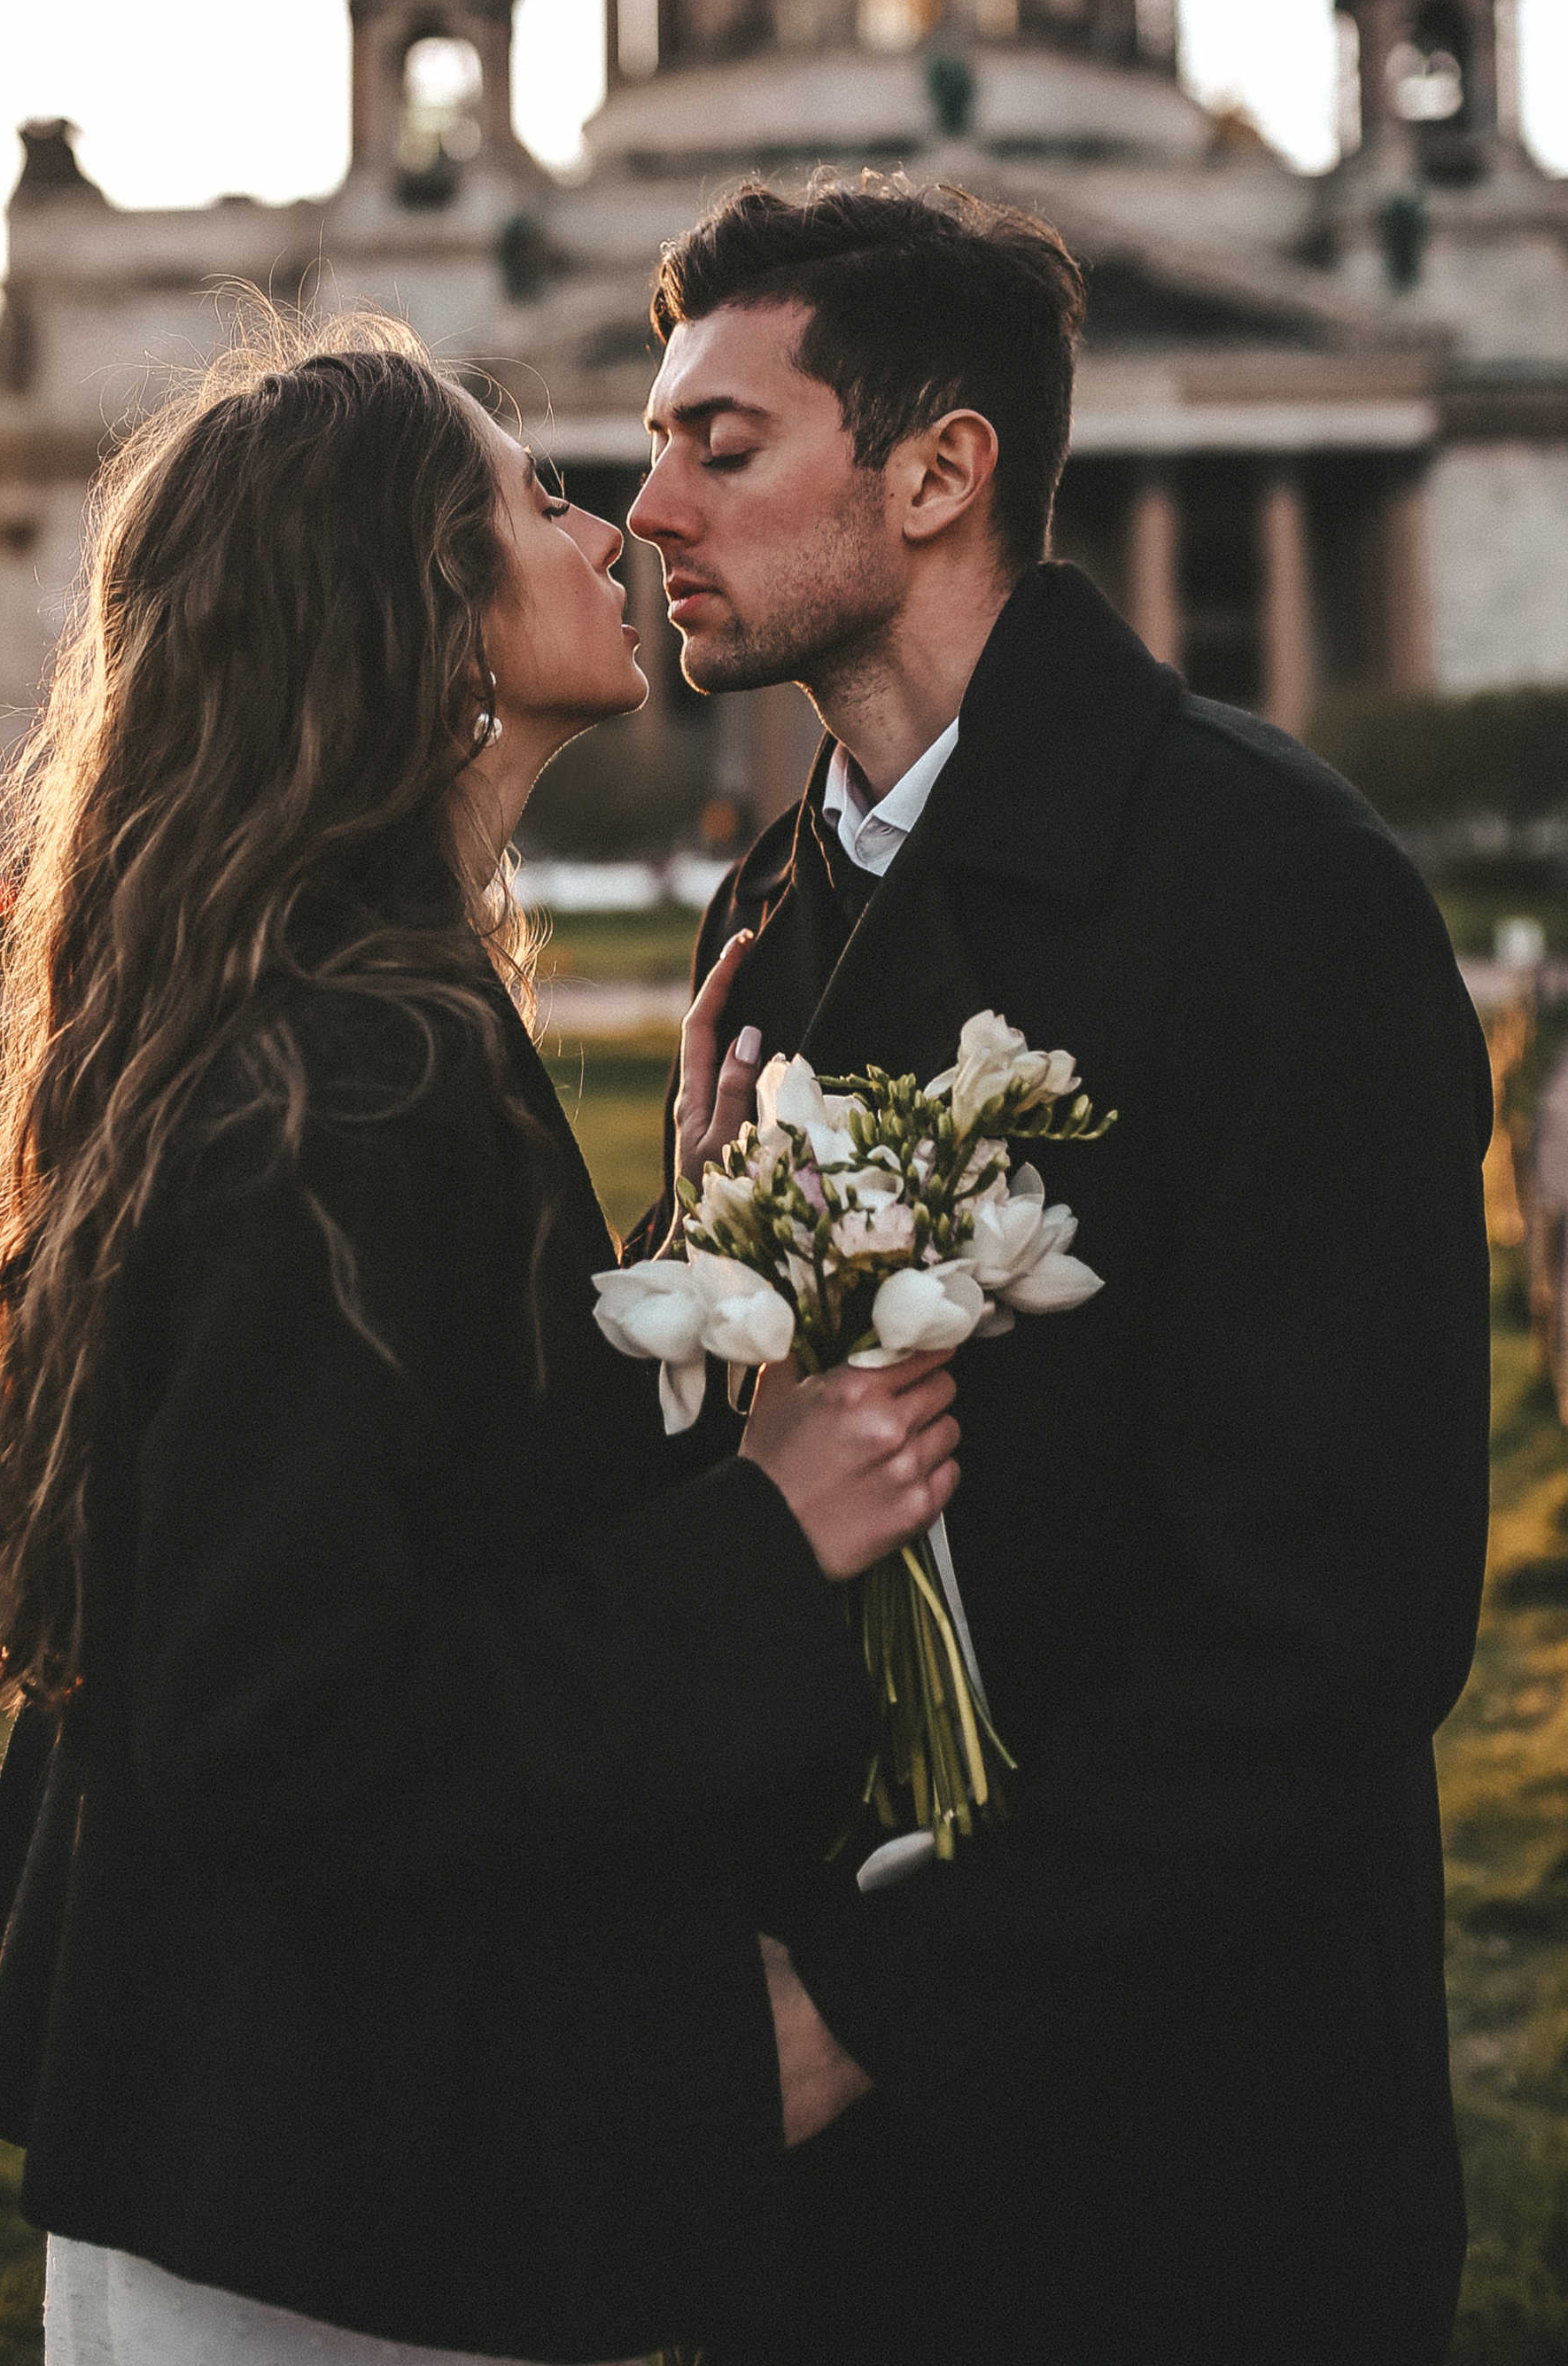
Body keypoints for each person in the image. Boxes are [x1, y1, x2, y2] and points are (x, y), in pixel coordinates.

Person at [0, 307, 964, 2366]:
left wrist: (685, 1243)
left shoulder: (327, 1012)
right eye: (535, 498)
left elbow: (443, 1479)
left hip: (262, 2131)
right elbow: (287, 1712)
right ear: (420, 610)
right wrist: (764, 1529)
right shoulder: (352, 1072)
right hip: (322, 2201)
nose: (609, 528)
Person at [624, 175, 1493, 2366]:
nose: (644, 508)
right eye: (650, 447)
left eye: (719, 444)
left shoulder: (1274, 888)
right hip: (830, 2182)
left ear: (937, 471)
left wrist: (876, 2003)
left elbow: (1334, 1612)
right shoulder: (772, 902)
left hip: (1172, 2156)